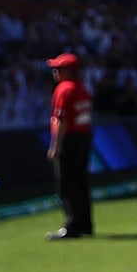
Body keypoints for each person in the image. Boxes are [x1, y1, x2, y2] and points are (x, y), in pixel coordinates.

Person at [45, 51, 94, 240]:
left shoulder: (64, 89)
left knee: (67, 184)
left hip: (70, 140)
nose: (55, 72)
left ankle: (72, 225)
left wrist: (55, 146)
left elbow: (61, 120)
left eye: (58, 68)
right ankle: (85, 224)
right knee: (81, 182)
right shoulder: (82, 89)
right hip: (83, 138)